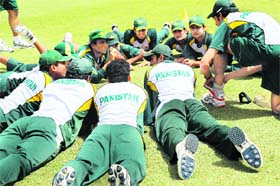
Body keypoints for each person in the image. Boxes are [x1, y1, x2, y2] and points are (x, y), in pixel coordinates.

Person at [143, 44, 263, 180]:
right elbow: (191, 91)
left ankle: (180, 145)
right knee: (211, 127)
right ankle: (234, 141)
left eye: (152, 59)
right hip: (192, 103)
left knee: (172, 129)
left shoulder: (151, 72)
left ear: (161, 57)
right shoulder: (188, 70)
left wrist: (151, 121)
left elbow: (151, 100)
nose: (150, 62)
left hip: (169, 104)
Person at [0, 58, 96, 185]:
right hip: (51, 127)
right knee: (22, 159)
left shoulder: (52, 84)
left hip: (26, 122)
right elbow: (93, 120)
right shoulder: (89, 89)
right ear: (88, 78)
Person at [52, 60, 147, 186]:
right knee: (133, 161)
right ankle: (127, 173)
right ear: (129, 77)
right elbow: (142, 120)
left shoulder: (100, 92)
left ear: (107, 78)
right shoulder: (140, 91)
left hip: (100, 130)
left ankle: (74, 169)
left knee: (85, 161)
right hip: (128, 129)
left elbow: (95, 116)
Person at [199, 0, 280, 117]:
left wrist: (208, 78)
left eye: (215, 19)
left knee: (221, 46)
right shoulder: (251, 17)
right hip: (277, 53)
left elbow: (204, 62)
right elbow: (260, 64)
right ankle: (220, 85)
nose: (216, 23)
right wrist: (228, 77)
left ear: (220, 15)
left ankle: (218, 94)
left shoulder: (227, 21)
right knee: (276, 107)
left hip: (261, 47)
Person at [0, 50, 71, 132]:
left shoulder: (37, 74)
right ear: (53, 67)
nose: (66, 66)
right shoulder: (48, 84)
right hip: (5, 117)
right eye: (63, 63)